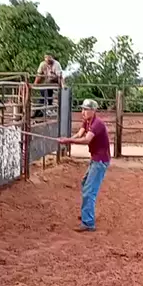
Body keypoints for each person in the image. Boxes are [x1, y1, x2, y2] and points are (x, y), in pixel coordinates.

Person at [58, 99, 110, 232]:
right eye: (83, 109)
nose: (83, 112)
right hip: (96, 159)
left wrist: (68, 140)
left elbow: (87, 140)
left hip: (100, 160)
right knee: (85, 184)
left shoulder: (97, 124)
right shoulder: (87, 121)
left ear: (93, 110)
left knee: (89, 191)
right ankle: (87, 213)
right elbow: (80, 134)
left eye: (86, 109)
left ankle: (88, 222)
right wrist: (68, 140)